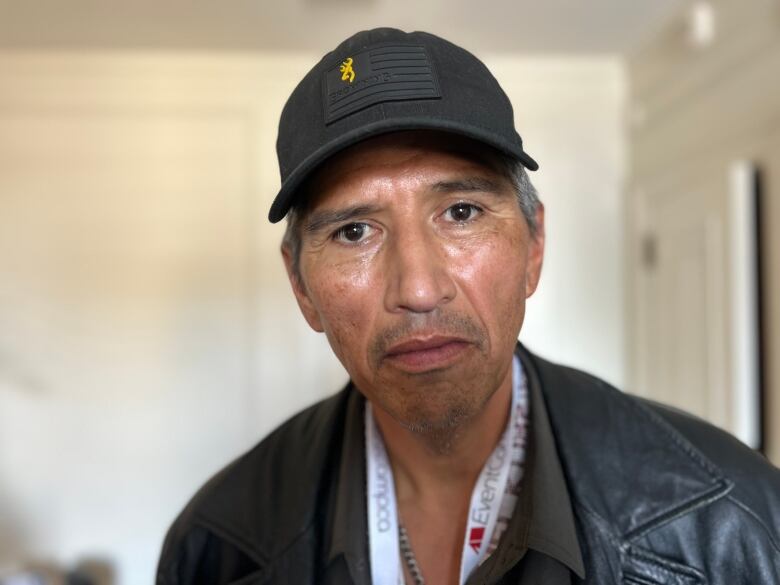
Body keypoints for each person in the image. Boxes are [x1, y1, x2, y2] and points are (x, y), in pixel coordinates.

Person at [157, 28, 780, 585]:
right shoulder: (215, 548)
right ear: (301, 286)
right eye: (354, 231)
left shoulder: (735, 522)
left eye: (461, 213)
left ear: (534, 246)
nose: (420, 289)